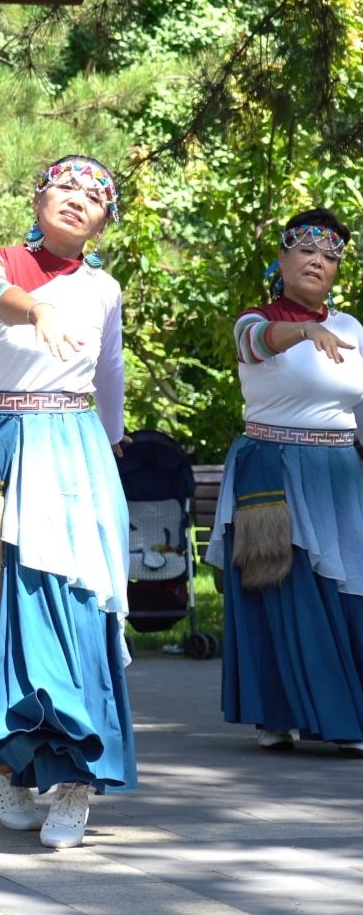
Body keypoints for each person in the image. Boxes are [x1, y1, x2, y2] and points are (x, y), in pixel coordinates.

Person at [0, 155, 136, 850]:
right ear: (38, 193)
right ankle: (5, 766)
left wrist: (108, 451)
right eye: (66, 186)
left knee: (72, 612)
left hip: (73, 452)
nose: (78, 199)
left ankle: (75, 782)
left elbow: (109, 373)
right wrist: (36, 305)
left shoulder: (104, 289)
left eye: (95, 196)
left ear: (104, 222)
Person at [207, 209, 363, 757]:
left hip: (341, 474)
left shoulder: (351, 329)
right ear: (283, 257)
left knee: (349, 589)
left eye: (331, 256)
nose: (319, 261)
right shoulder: (255, 319)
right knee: (282, 592)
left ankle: (349, 712)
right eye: (307, 251)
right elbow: (257, 345)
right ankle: (280, 714)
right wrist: (303, 330)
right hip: (273, 469)